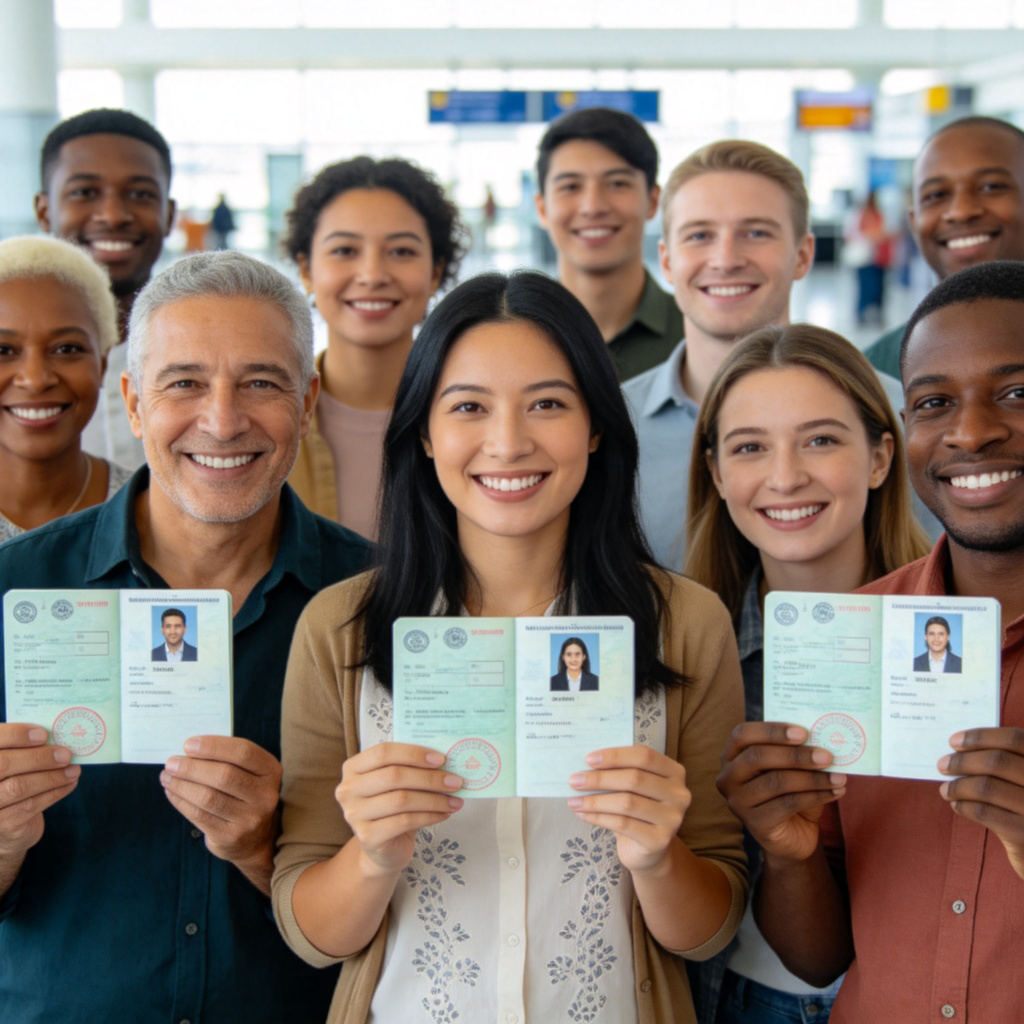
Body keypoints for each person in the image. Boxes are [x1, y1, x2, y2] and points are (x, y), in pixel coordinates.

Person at [272, 270, 748, 1024]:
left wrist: (659, 859)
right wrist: (372, 857)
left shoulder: (686, 622)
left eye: (548, 404)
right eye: (468, 407)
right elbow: (311, 934)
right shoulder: (340, 628)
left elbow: (711, 927)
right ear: (424, 433)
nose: (508, 443)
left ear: (595, 425)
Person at [0, 251, 371, 1022]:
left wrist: (267, 850)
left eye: (261, 383)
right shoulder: (15, 591)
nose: (223, 420)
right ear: (134, 404)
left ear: (306, 404)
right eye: (185, 383)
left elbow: (426, 898)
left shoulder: (379, 605)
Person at [717, 260, 1024, 1022]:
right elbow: (820, 956)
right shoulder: (861, 636)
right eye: (934, 402)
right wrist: (785, 853)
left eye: (1017, 393)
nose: (973, 430)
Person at [684, 323, 930, 1024]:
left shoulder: (965, 636)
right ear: (717, 472)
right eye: (751, 447)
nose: (786, 476)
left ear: (881, 456)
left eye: (821, 439)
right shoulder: (686, 654)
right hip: (743, 999)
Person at [624, 139, 938, 570]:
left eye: (756, 233)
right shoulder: (611, 425)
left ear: (803, 254)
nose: (726, 259)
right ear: (666, 260)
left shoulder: (901, 418)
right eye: (699, 235)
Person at [284, 156, 467, 540]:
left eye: (401, 251)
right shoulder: (269, 420)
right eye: (344, 251)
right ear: (306, 270)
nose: (372, 275)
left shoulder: (483, 416)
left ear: (435, 271)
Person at [35, 107, 178, 470]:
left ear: (169, 215)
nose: (113, 215)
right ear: (44, 211)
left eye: (141, 194)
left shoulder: (206, 349)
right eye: (85, 192)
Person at [863, 116, 1024, 379]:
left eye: (990, 186)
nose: (960, 212)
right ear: (913, 223)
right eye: (936, 195)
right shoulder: (874, 374)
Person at [535, 107, 682, 380]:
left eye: (617, 183)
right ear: (542, 208)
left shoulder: (696, 336)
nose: (593, 207)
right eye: (570, 186)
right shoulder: (516, 338)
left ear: (652, 201)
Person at [0, 235, 131, 542]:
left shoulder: (155, 513)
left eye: (67, 348)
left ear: (102, 363)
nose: (35, 379)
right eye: (3, 351)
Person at [843, 188, 892, 326]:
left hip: (879, 258)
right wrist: (873, 236)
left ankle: (876, 314)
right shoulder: (858, 215)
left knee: (878, 288)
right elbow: (852, 234)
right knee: (865, 288)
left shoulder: (879, 215)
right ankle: (861, 314)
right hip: (864, 259)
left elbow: (887, 233)